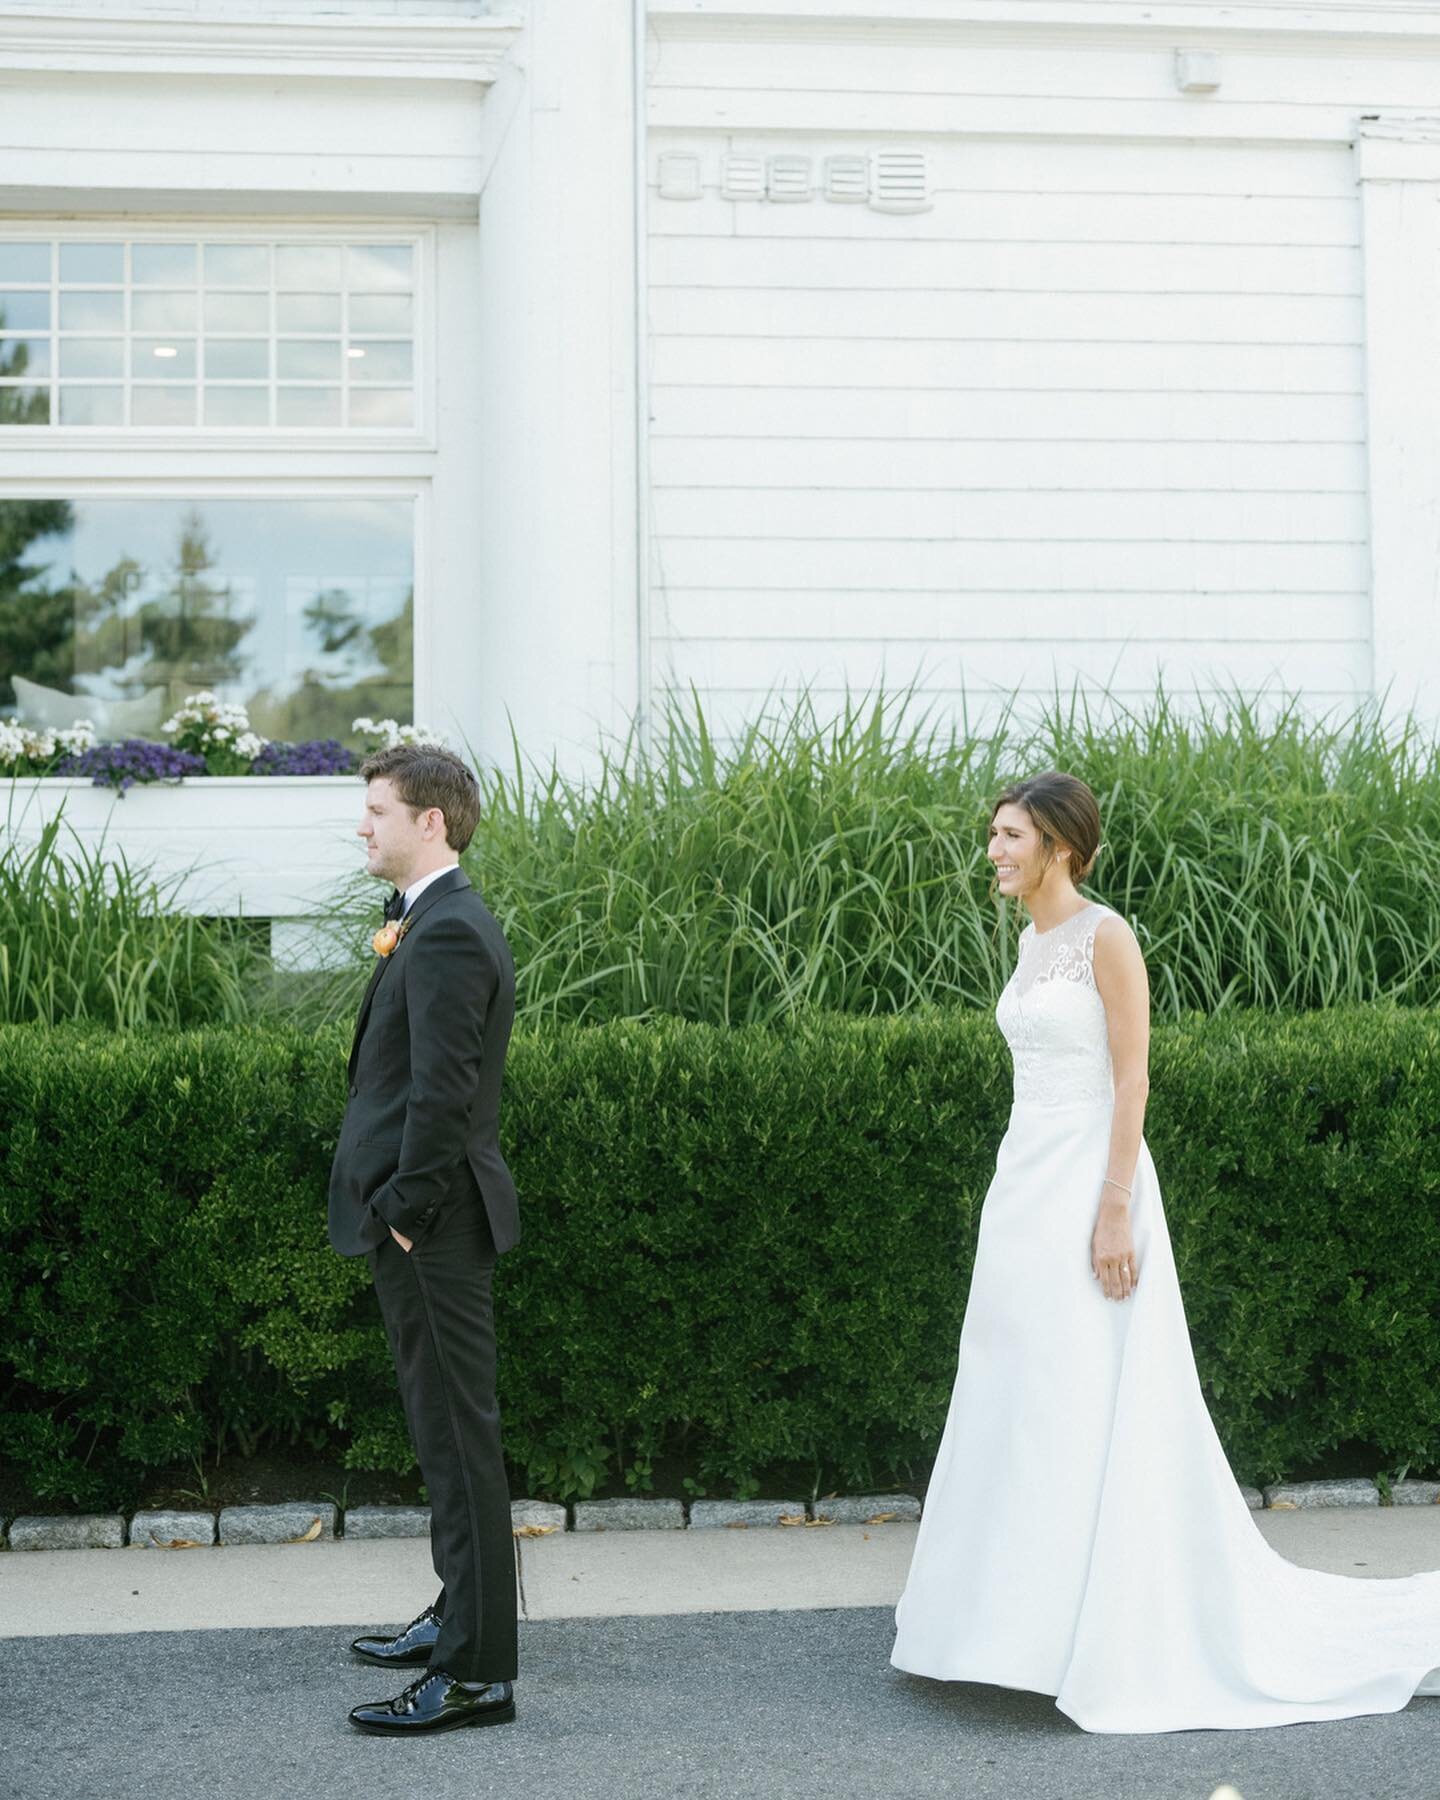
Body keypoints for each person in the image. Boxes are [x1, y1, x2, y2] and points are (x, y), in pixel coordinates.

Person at [890, 770, 1440, 1732]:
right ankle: (1009, 1627)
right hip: (1022, 1185)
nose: (994, 851)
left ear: (1060, 843)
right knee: (1021, 1390)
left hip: (1091, 1185)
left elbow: (1132, 1078)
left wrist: (1112, 1211)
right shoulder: (1029, 942)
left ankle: (1097, 1629)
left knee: (1085, 1390)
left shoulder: (1108, 937)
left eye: (1010, 835)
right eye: (993, 834)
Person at [328, 743, 521, 1736]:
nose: (363, 825)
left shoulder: (445, 932)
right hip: (423, 1225)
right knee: (443, 1437)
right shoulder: (428, 919)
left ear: (430, 822)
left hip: (431, 1227)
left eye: (377, 809)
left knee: (460, 1441)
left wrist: (403, 1212)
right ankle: (460, 1610)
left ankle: (479, 1671)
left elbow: (442, 1095)